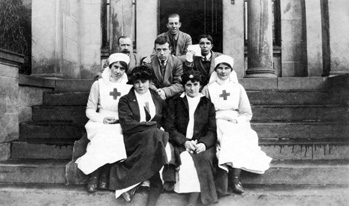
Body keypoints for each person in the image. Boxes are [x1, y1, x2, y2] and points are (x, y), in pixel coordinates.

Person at [202, 55, 272, 195]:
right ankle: (233, 179)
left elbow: (246, 113)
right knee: (229, 136)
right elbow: (203, 111)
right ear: (215, 70)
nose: (223, 71)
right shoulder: (208, 88)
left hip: (235, 120)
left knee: (246, 135)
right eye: (220, 68)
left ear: (231, 70)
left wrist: (237, 121)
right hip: (216, 120)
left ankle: (235, 177)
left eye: (226, 68)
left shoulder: (238, 88)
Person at [107, 66, 169, 206]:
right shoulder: (125, 100)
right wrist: (150, 126)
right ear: (132, 83)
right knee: (155, 134)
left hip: (154, 138)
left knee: (155, 136)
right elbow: (127, 124)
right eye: (137, 82)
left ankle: (142, 184)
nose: (140, 85)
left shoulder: (156, 98)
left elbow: (164, 118)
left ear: (149, 82)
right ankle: (155, 182)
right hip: (134, 139)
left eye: (144, 81)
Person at [75, 53, 132, 193]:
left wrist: (120, 120)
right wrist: (102, 119)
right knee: (102, 135)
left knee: (116, 135)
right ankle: (95, 176)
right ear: (110, 67)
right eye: (115, 67)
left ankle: (104, 176)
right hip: (100, 120)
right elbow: (89, 110)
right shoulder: (98, 84)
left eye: (122, 68)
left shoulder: (128, 87)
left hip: (120, 121)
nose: (118, 71)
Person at [164, 71, 218, 205]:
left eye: (195, 84)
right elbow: (169, 127)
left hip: (200, 144)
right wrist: (184, 141)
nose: (192, 88)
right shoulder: (175, 102)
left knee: (204, 159)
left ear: (200, 85)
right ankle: (191, 202)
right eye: (188, 85)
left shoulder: (207, 104)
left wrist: (204, 144)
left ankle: (193, 202)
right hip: (180, 142)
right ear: (183, 86)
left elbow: (212, 130)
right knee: (187, 161)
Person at [144, 35, 184, 100]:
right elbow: (149, 81)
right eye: (159, 50)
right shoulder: (149, 63)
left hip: (172, 96)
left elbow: (179, 84)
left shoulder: (177, 62)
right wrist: (157, 92)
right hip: (154, 95)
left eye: (164, 49)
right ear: (154, 50)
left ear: (170, 50)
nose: (162, 53)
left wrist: (164, 91)